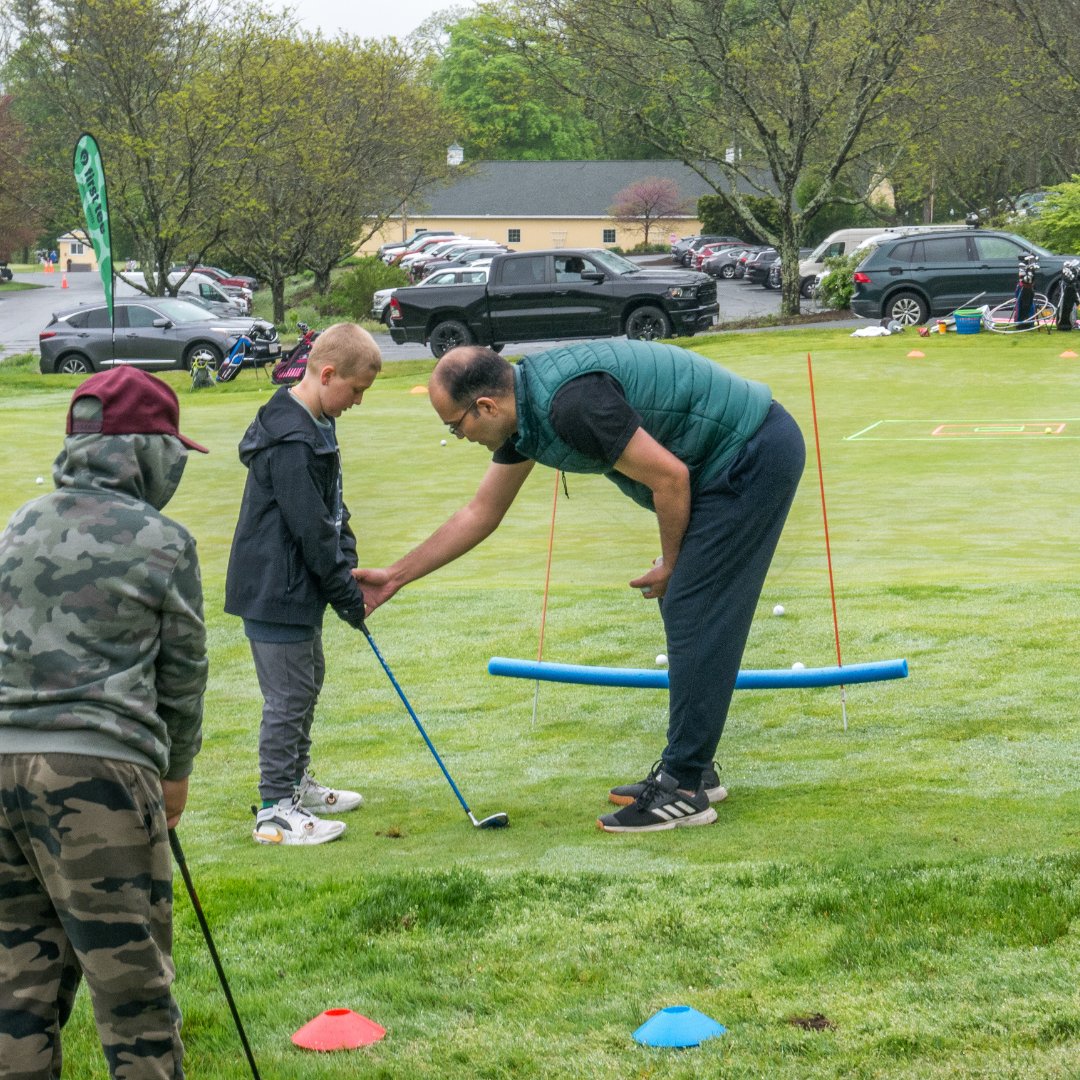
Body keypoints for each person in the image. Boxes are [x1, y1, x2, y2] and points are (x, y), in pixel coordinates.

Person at [358, 339, 805, 833]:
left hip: (751, 452)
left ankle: (681, 788)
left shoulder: (570, 406)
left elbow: (671, 479)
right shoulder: (525, 410)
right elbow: (481, 513)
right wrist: (395, 577)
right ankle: (692, 767)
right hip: (734, 453)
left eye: (455, 425)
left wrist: (672, 563)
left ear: (485, 406)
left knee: (692, 606)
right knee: (686, 606)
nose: (459, 436)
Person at [0, 367, 209, 1078]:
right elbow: (183, 674)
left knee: (15, 984)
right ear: (150, 452)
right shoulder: (165, 540)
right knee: (133, 992)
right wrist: (175, 775)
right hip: (99, 775)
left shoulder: (19, 521)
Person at [225, 322, 380, 846]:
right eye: (356, 390)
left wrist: (350, 565)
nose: (358, 401)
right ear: (328, 373)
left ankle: (295, 786)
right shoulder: (289, 439)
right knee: (288, 698)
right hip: (275, 587)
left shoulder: (317, 424)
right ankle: (274, 810)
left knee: (306, 683)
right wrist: (347, 597)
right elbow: (311, 532)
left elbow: (335, 510)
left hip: (296, 588)